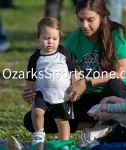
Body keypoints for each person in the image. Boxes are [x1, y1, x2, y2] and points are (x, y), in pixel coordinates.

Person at [22, 0, 126, 147]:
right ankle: (96, 125)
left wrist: (86, 82)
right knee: (32, 119)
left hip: (112, 95)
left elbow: (119, 74)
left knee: (115, 85)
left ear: (102, 16)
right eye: (80, 19)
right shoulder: (73, 39)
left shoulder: (117, 34)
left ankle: (112, 120)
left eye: (90, 20)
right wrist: (35, 90)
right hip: (85, 96)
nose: (84, 25)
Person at [25, 17, 80, 145]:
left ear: (59, 38)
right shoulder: (36, 57)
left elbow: (74, 71)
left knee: (62, 121)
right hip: (42, 93)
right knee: (37, 111)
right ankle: (39, 135)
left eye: (55, 39)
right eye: (46, 38)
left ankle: (64, 142)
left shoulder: (65, 54)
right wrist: (29, 90)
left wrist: (75, 87)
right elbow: (30, 76)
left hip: (63, 95)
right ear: (38, 38)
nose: (51, 42)